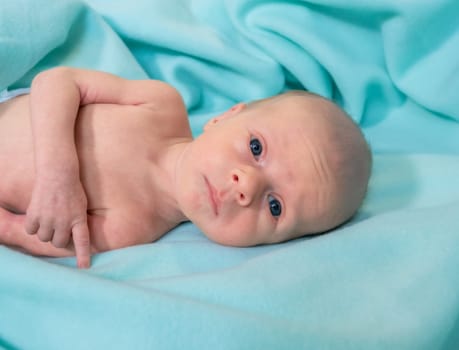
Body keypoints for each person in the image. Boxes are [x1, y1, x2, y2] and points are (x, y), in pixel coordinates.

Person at [0, 67, 372, 268]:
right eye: (256, 147)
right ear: (226, 116)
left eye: (275, 206)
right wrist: (58, 172)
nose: (246, 186)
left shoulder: (132, 229)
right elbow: (55, 81)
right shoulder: (159, 106)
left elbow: (19, 232)